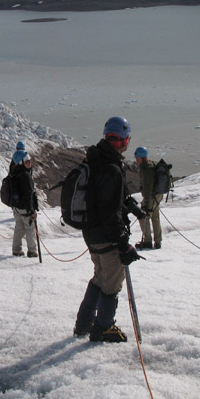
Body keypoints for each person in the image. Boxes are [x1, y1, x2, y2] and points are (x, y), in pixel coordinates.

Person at [73, 116, 142, 343]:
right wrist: (123, 244)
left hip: (91, 234)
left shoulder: (95, 160)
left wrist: (127, 204)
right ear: (125, 140)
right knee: (111, 284)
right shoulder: (110, 168)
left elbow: (104, 201)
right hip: (106, 237)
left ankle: (83, 324)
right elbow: (109, 213)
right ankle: (102, 328)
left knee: (100, 277)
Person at [9, 150, 39, 257]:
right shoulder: (26, 176)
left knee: (19, 228)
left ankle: (16, 249)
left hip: (16, 207)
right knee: (30, 229)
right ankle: (32, 251)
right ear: (21, 162)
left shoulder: (14, 173)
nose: (30, 163)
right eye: (27, 161)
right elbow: (28, 195)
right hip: (26, 208)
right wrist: (31, 210)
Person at [134, 146, 164, 250]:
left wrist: (146, 203)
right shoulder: (151, 164)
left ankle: (147, 242)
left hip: (151, 197)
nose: (136, 159)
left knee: (144, 217)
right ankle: (158, 241)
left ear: (141, 157)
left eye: (137, 157)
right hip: (158, 195)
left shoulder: (146, 169)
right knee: (155, 217)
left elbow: (147, 188)